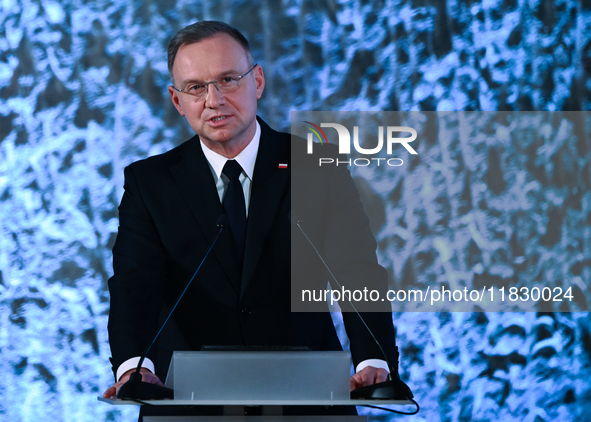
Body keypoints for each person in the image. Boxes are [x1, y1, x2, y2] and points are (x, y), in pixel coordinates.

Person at [103, 20, 398, 416]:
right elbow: (134, 285)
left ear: (256, 81)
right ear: (177, 101)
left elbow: (356, 271)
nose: (213, 100)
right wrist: (134, 367)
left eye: (227, 79)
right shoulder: (149, 183)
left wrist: (372, 362)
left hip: (306, 398)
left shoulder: (319, 168)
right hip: (187, 403)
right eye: (195, 87)